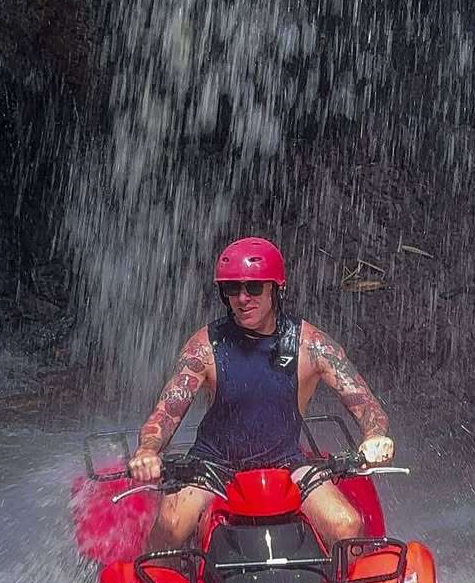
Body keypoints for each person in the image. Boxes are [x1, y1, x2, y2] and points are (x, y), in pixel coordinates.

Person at [128, 236, 395, 552]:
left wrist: (375, 436)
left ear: (275, 289)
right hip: (213, 464)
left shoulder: (312, 345)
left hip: (286, 462)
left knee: (346, 524)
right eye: (232, 289)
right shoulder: (204, 346)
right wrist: (147, 450)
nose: (243, 299)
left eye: (253, 288)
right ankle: (154, 580)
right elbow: (167, 412)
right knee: (172, 525)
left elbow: (367, 405)